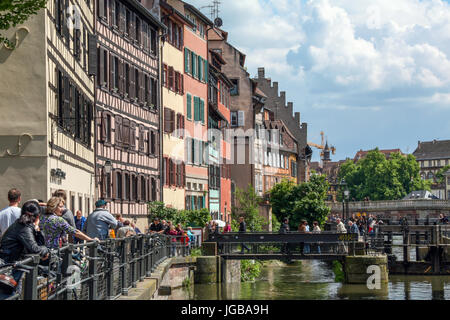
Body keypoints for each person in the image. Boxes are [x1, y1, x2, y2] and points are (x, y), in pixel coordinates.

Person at [0, 201, 49, 299]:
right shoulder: (24, 227)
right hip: (8, 267)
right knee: (8, 295)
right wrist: (46, 251)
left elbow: (38, 245)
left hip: (11, 265)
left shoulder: (22, 225)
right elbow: (35, 249)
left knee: (12, 294)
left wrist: (37, 229)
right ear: (37, 216)